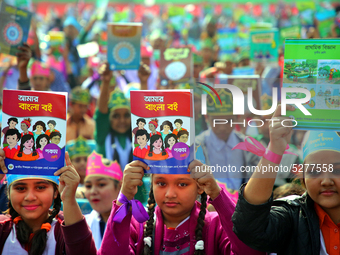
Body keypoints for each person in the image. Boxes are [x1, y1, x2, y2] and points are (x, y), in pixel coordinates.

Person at [232, 105, 340, 254]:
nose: (326, 181)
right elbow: (249, 227)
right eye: (314, 171)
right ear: (303, 177)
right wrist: (275, 149)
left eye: (337, 170)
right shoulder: (293, 217)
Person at [97, 160, 265, 255]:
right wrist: (124, 197)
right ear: (152, 185)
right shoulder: (138, 224)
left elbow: (250, 251)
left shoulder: (215, 225)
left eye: (182, 184)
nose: (170, 194)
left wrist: (216, 194)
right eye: (161, 183)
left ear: (200, 187)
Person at [0, 150, 97, 254]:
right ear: (9, 193)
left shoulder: (64, 229)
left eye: (40, 187)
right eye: (20, 188)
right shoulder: (3, 229)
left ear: (56, 191)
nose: (30, 197)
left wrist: (69, 198)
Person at [195, 88, 259, 190]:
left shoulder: (249, 147)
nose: (222, 127)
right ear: (207, 117)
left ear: (237, 117)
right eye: (217, 121)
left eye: (229, 120)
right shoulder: (196, 146)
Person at [84, 151, 123, 249]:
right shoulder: (83, 226)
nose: (93, 191)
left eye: (101, 184)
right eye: (88, 186)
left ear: (120, 187)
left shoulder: (138, 222)